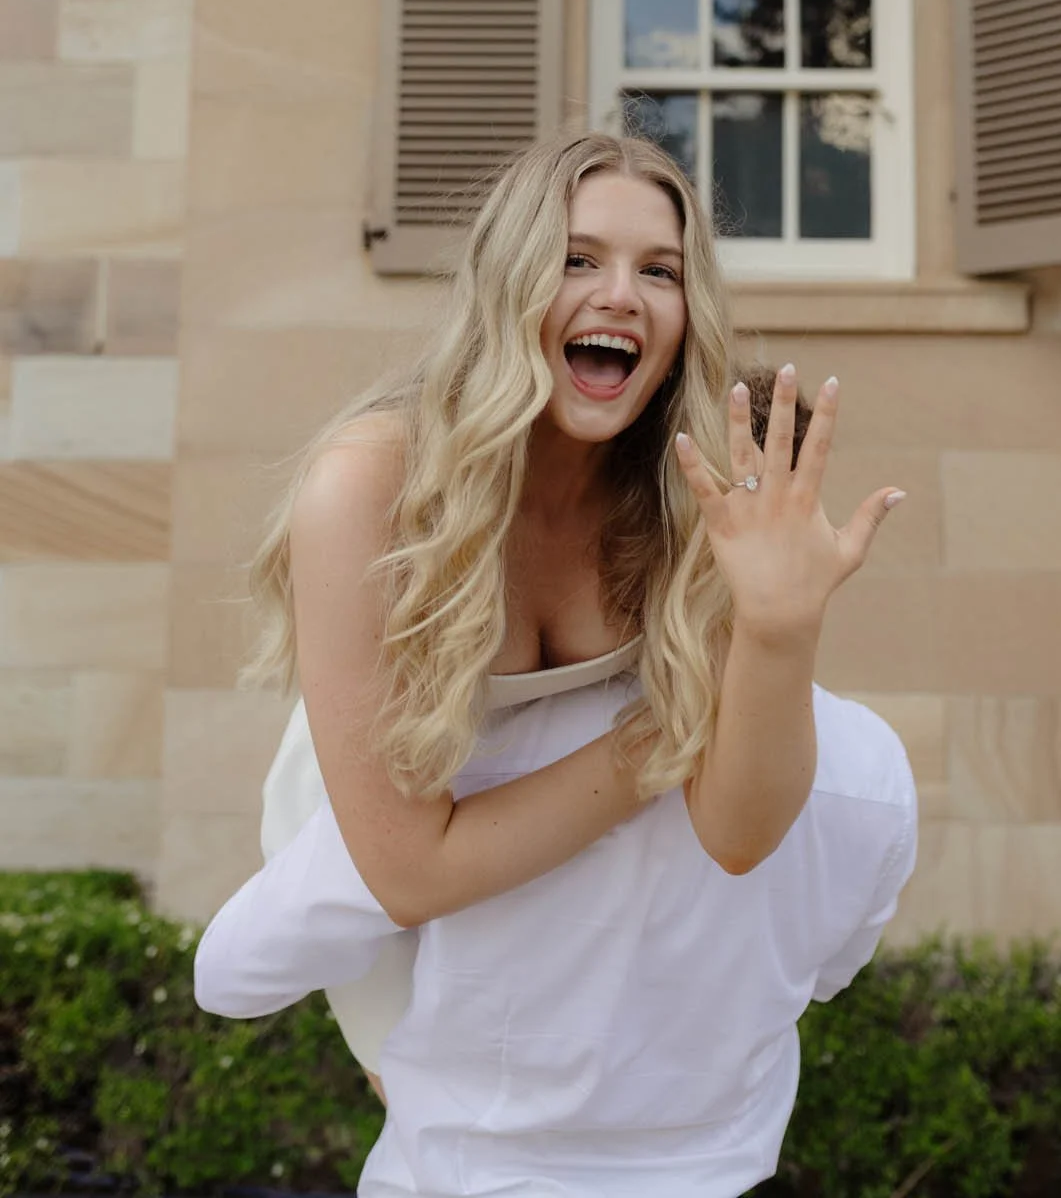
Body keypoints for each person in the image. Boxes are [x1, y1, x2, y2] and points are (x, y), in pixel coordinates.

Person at [195, 133, 916, 1198]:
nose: (620, 294)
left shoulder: (693, 488)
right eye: (578, 260)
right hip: (385, 798)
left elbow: (737, 832)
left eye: (658, 270)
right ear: (508, 283)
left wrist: (776, 630)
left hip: (555, 898)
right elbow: (406, 870)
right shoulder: (371, 484)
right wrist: (666, 734)